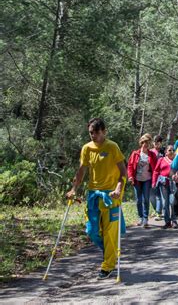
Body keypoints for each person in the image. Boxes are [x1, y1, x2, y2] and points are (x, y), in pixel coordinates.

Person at [66, 118, 127, 279]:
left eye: (96, 132)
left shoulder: (112, 147)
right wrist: (73, 189)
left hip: (111, 195)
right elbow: (81, 171)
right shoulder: (87, 148)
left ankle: (108, 265)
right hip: (93, 194)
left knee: (110, 232)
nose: (93, 136)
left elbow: (123, 172)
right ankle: (110, 253)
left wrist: (118, 188)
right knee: (92, 230)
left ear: (104, 132)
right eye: (91, 133)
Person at [127, 133, 158, 228]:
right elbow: (130, 166)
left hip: (147, 179)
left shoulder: (152, 155)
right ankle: (140, 217)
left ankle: (145, 219)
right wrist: (130, 176)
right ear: (141, 143)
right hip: (137, 180)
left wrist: (154, 181)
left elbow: (156, 169)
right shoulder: (135, 154)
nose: (145, 144)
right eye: (144, 142)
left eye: (147, 142)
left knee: (146, 199)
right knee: (138, 200)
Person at [152, 145, 178, 229]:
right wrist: (154, 182)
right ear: (166, 152)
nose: (171, 151)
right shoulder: (161, 160)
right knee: (164, 203)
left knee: (172, 201)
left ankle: (174, 220)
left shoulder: (176, 160)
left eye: (173, 150)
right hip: (163, 183)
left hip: (173, 183)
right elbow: (156, 171)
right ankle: (167, 221)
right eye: (169, 150)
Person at [150, 135, 164, 220]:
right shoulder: (151, 151)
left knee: (159, 195)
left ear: (161, 143)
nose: (156, 144)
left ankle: (158, 212)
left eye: (158, 143)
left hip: (162, 176)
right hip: (151, 176)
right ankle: (156, 210)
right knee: (151, 196)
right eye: (155, 142)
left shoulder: (164, 151)